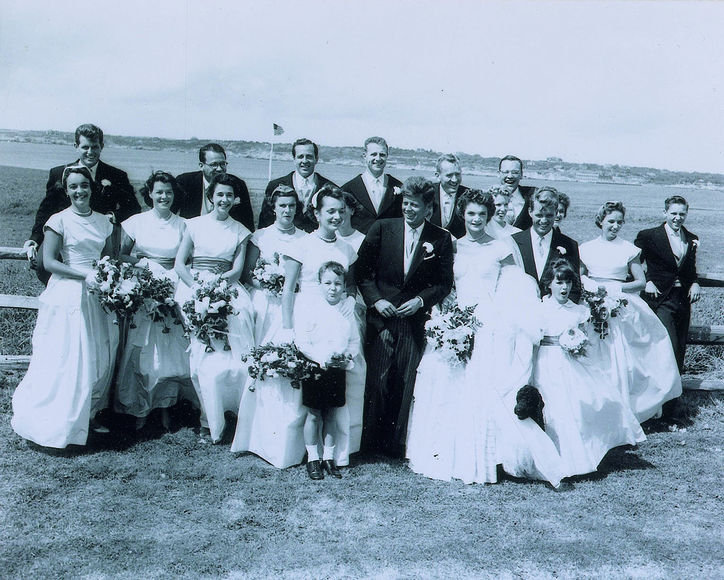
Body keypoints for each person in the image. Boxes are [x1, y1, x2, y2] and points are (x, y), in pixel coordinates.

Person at [406, 189, 566, 487]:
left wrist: (502, 322)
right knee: (446, 385)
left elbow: (515, 288)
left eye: (482, 214)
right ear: (462, 215)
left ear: (489, 216)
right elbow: (443, 286)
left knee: (484, 388)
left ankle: (492, 457)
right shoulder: (452, 246)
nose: (476, 219)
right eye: (471, 214)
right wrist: (447, 321)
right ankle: (446, 452)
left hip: (490, 324)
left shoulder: (500, 249)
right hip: (457, 321)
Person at [12, 165, 119, 447]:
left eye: (84, 185)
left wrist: (105, 277)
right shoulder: (57, 220)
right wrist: (85, 274)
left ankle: (89, 413)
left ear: (91, 187)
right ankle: (58, 418)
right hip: (68, 294)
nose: (79, 191)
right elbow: (49, 262)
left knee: (97, 355)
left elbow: (108, 259)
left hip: (98, 295)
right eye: (73, 187)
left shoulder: (103, 222)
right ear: (66, 190)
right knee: (68, 356)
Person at [355, 177, 454, 458]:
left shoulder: (440, 238)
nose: (408, 209)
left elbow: (443, 283)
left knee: (406, 378)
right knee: (378, 378)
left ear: (428, 209)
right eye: (406, 203)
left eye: (415, 205)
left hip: (413, 320)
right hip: (382, 318)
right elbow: (362, 272)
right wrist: (377, 300)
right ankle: (370, 442)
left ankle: (395, 443)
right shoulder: (383, 228)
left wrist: (420, 301)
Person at [532, 259, 645, 477]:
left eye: (568, 283)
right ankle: (553, 458)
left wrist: (577, 346)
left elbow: (584, 340)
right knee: (553, 409)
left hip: (571, 363)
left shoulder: (578, 311)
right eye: (559, 282)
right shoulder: (541, 309)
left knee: (581, 404)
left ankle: (580, 457)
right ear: (549, 284)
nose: (564, 288)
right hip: (547, 362)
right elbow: (536, 344)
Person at [277, 185, 360, 467]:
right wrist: (288, 328)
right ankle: (303, 453)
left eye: (340, 211)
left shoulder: (347, 249)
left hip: (336, 321)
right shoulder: (301, 245)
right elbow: (288, 290)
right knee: (305, 396)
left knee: (335, 395)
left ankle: (331, 454)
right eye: (330, 211)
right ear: (317, 213)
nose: (336, 216)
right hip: (305, 320)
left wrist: (349, 297)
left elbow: (350, 284)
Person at [579, 202, 683, 422]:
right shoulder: (585, 248)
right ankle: (595, 406)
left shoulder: (628, 249)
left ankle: (626, 406)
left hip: (620, 303)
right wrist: (591, 287)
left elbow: (640, 282)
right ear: (601, 221)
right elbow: (579, 277)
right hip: (593, 303)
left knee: (626, 358)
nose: (615, 226)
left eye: (619, 222)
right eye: (611, 222)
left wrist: (614, 289)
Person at [230, 185, 308, 468]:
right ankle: (254, 424)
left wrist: (285, 285)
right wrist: (269, 280)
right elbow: (249, 275)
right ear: (273, 208)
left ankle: (283, 420)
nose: (286, 210)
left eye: (291, 205)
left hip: (291, 305)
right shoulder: (260, 236)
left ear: (296, 208)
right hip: (265, 303)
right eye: (282, 206)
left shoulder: (304, 238)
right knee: (261, 360)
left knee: (287, 361)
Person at [175, 173, 255, 443]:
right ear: (211, 197)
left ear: (235, 199)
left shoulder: (241, 231)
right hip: (194, 287)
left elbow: (236, 270)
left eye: (229, 195)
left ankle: (232, 411)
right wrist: (198, 289)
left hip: (226, 289)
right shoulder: (194, 225)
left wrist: (216, 289)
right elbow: (180, 264)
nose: (224, 199)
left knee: (233, 354)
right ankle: (207, 417)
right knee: (202, 355)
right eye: (219, 194)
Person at [114, 171, 192, 431]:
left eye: (168, 192)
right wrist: (145, 266)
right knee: (143, 349)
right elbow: (122, 255)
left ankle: (166, 407)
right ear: (149, 193)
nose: (164, 197)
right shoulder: (135, 222)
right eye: (159, 191)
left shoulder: (183, 225)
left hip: (171, 287)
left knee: (170, 351)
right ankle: (139, 407)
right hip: (145, 286)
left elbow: (186, 260)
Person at [24, 123, 140, 284]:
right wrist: (35, 238)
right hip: (65, 233)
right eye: (85, 147)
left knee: (106, 271)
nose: (90, 152)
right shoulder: (58, 173)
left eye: (95, 147)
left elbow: (133, 208)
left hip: (99, 234)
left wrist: (112, 216)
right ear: (76, 146)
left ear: (101, 147)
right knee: (42, 264)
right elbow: (47, 208)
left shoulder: (116, 175)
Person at [294, 262, 361, 479]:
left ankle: (329, 458)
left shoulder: (346, 310)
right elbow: (303, 342)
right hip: (315, 368)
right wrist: (322, 358)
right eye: (328, 283)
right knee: (313, 414)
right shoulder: (310, 308)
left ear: (344, 287)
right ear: (320, 284)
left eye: (338, 284)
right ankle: (313, 458)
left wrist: (347, 357)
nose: (333, 288)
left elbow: (354, 341)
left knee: (331, 413)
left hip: (337, 370)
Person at [635, 196, 701, 378]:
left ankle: (673, 402)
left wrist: (695, 282)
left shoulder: (691, 238)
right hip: (660, 299)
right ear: (664, 213)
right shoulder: (648, 236)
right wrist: (647, 281)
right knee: (667, 347)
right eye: (673, 213)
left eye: (682, 214)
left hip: (682, 300)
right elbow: (633, 264)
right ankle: (658, 399)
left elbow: (689, 268)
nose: (677, 218)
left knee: (679, 348)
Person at [511, 187, 580, 300]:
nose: (543, 221)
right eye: (539, 215)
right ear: (530, 212)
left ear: (556, 213)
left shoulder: (569, 245)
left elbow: (574, 289)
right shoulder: (514, 242)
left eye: (549, 215)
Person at [257, 138, 336, 231]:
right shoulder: (275, 186)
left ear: (316, 159)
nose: (305, 161)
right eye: (300, 156)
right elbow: (265, 222)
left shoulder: (329, 188)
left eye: (309, 156)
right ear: (294, 159)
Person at [175, 143, 255, 232]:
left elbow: (248, 222)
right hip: (192, 235)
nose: (219, 169)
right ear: (201, 166)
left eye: (223, 164)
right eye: (214, 164)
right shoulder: (185, 182)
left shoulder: (238, 184)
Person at [341, 137, 403, 234]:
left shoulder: (398, 186)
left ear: (387, 156)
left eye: (382, 155)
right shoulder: (349, 188)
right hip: (359, 244)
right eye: (373, 154)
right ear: (364, 156)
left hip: (389, 245)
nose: (378, 159)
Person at [429, 154, 470, 239]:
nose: (454, 180)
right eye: (449, 175)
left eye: (457, 174)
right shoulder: (427, 192)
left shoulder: (468, 195)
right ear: (438, 176)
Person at [498, 155, 536, 230]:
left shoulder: (533, 194)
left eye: (515, 172)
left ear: (521, 174)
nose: (510, 176)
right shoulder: (488, 198)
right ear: (499, 173)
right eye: (506, 172)